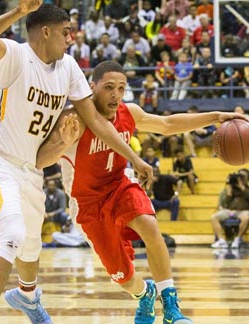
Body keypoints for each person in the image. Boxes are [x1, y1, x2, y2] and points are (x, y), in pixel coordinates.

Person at [37, 60, 247, 324]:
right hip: (87, 204)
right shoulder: (75, 121)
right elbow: (41, 162)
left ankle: (171, 306)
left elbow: (168, 124)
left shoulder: (129, 112)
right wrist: (62, 142)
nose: (115, 94)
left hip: (119, 185)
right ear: (92, 87)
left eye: (121, 88)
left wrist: (215, 116)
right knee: (122, 277)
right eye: (109, 87)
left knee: (149, 225)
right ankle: (144, 293)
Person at [0, 3, 152, 324]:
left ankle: (27, 296)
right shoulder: (14, 55)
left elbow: (96, 120)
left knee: (30, 247)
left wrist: (134, 157)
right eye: (66, 32)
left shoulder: (68, 67)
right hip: (1, 160)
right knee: (10, 231)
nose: (71, 39)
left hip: (31, 167)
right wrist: (17, 12)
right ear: (45, 31)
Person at [211, 172, 249, 249]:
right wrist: (228, 195)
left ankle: (238, 239)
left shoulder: (247, 189)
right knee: (214, 217)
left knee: (246, 218)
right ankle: (221, 241)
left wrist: (242, 187)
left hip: (243, 211)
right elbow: (224, 204)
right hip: (229, 211)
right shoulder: (230, 189)